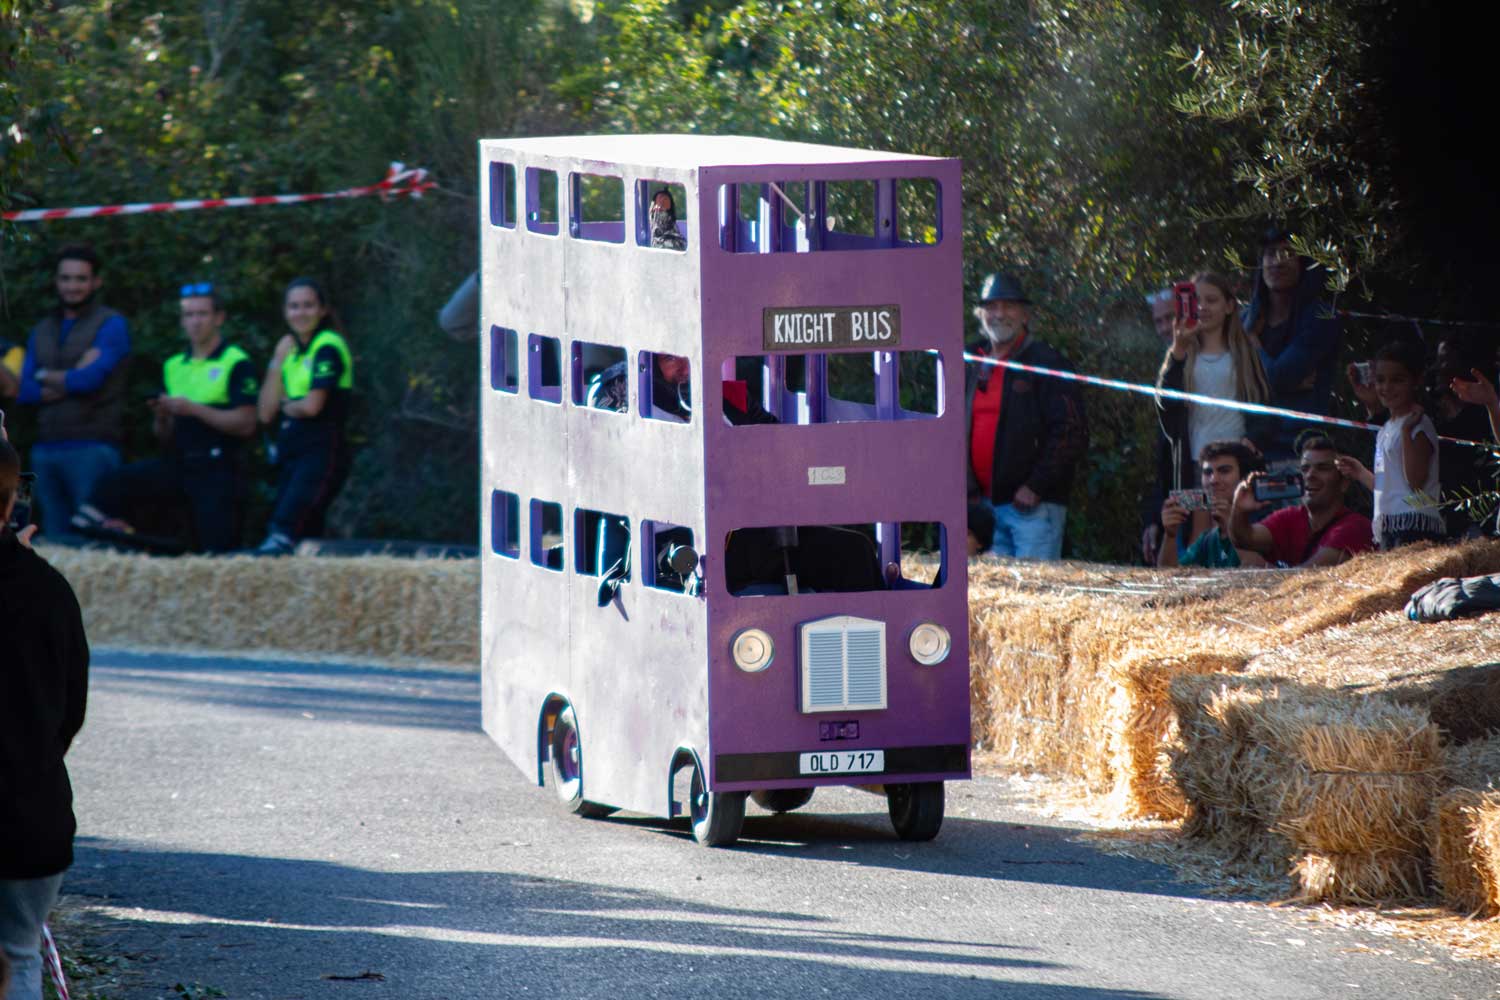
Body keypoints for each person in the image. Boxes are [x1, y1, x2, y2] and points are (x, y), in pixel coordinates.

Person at [1, 437, 90, 1000]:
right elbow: (69, 712)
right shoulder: (48, 590)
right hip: (30, 818)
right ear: (12, 504)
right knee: (20, 955)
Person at [72, 283, 259, 552]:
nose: (195, 322)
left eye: (202, 314)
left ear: (219, 318)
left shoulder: (236, 361)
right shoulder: (173, 365)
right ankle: (94, 535)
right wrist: (162, 416)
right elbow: (162, 435)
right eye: (189, 315)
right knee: (116, 483)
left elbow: (246, 423)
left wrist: (194, 409)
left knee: (215, 553)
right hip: (179, 463)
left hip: (218, 468)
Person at [10, 244, 132, 537]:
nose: (72, 286)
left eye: (80, 279)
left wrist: (47, 376)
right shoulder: (42, 329)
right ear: (56, 281)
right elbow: (23, 390)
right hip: (45, 449)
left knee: (94, 542)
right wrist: (69, 375)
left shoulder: (112, 324)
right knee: (53, 544)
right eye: (66, 278)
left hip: (93, 447)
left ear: (96, 282)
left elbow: (90, 381)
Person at [965, 271, 1088, 560]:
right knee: (996, 598)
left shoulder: (1046, 361)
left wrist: (1035, 485)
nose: (999, 314)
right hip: (982, 508)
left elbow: (1071, 430)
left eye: (1008, 306)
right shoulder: (970, 360)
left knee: (1036, 595)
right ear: (980, 314)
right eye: (991, 307)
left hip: (1033, 508)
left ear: (1024, 314)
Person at [1155, 271, 1273, 540]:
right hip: (1195, 462)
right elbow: (1165, 406)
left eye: (1212, 300)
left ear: (1230, 306)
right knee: (1198, 537)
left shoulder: (1245, 352)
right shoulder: (1180, 351)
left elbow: (1266, 405)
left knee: (1236, 533)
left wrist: (1253, 439)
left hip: (1237, 460)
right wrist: (1178, 348)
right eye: (1195, 300)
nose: (1203, 307)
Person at [252, 278, 354, 555]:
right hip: (293, 450)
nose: (300, 312)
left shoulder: (328, 345)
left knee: (284, 530)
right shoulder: (291, 351)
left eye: (308, 305)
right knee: (303, 535)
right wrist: (276, 361)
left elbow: (311, 407)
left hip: (322, 449)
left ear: (322, 310)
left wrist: (288, 404)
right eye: (294, 306)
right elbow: (264, 412)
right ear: (285, 312)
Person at [1242, 227, 1343, 464]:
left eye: (1287, 253)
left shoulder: (1322, 317)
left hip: (1301, 450)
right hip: (1249, 447)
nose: (1277, 262)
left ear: (1303, 263)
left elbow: (1279, 377)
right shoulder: (1244, 319)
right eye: (1270, 253)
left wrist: (1253, 346)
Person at [1334, 341, 1443, 550]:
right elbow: (1390, 487)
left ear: (1416, 381)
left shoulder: (1417, 424)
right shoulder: (1386, 428)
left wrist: (1405, 432)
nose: (1386, 388)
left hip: (1414, 527)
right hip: (1391, 526)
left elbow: (1414, 483)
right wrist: (1359, 472)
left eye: (1397, 380)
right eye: (1380, 380)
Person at [1228, 434, 1374, 567]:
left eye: (1322, 468)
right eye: (1305, 469)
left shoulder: (1356, 527)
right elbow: (1244, 538)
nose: (1310, 475)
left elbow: (1305, 576)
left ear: (1344, 483)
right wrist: (1238, 509)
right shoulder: (1290, 517)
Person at [1157, 440, 1266, 568]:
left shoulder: (1265, 522)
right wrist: (1170, 535)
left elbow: (1260, 572)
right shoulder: (1209, 539)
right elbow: (1169, 577)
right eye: (1207, 473)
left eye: (1224, 471)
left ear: (1245, 477)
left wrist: (1232, 527)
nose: (1213, 480)